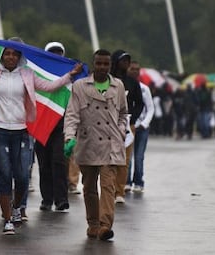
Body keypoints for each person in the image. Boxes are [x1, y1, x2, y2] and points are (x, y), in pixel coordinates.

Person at [0, 31, 82, 235]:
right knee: (4, 175)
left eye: (15, 54)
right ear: (2, 55)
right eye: (8, 53)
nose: (11, 57)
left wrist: (70, 75)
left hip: (22, 132)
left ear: (20, 57)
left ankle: (16, 209)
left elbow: (50, 87)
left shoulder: (28, 75)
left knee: (22, 177)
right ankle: (7, 220)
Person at [64, 49, 128, 241]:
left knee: (108, 185)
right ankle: (93, 224)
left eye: (105, 64)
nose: (102, 67)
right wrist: (69, 137)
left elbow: (124, 113)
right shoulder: (80, 86)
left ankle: (104, 225)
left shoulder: (118, 86)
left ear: (110, 65)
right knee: (89, 187)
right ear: (93, 65)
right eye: (98, 63)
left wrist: (122, 129)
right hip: (88, 143)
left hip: (111, 144)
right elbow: (72, 115)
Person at [34, 42, 70, 212]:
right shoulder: (37, 74)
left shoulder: (71, 76)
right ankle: (47, 199)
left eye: (59, 53)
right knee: (44, 164)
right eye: (52, 52)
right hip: (41, 125)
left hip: (60, 127)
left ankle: (61, 199)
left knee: (58, 161)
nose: (56, 55)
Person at [110, 50, 143, 203]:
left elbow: (139, 104)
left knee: (124, 159)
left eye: (128, 60)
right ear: (116, 61)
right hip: (108, 124)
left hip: (127, 125)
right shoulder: (107, 79)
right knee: (108, 159)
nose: (126, 64)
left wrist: (132, 120)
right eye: (123, 60)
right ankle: (108, 188)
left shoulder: (132, 82)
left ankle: (120, 191)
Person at [126, 61, 154, 192]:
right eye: (132, 69)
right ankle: (126, 182)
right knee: (127, 157)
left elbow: (150, 108)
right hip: (128, 126)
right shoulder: (123, 86)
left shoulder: (144, 88)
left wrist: (144, 124)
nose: (135, 71)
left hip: (142, 129)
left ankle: (138, 181)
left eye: (137, 69)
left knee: (139, 157)